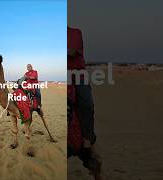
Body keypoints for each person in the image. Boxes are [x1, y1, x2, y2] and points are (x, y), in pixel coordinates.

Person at [68, 27, 102, 176]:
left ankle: (88, 137)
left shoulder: (76, 33)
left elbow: (72, 51)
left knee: (86, 103)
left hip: (77, 74)